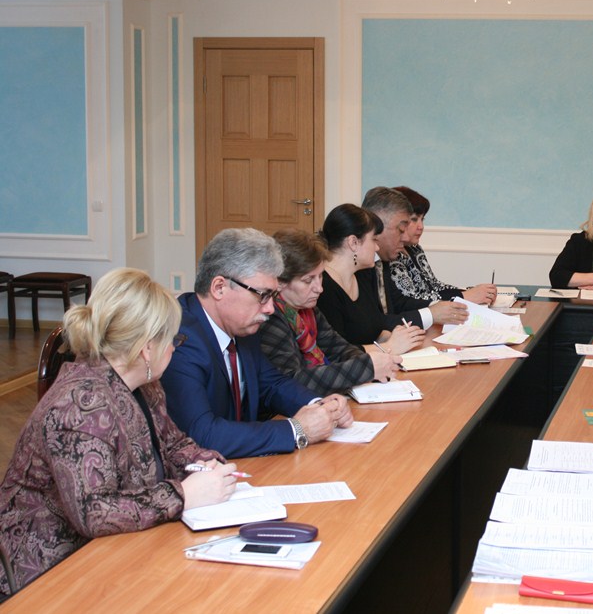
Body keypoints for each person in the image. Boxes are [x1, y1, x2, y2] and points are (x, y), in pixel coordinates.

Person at [0, 268, 238, 595]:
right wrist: (184, 495)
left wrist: (206, 464)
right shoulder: (79, 405)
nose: (174, 348)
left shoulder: (145, 384)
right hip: (47, 572)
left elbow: (173, 444)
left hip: (116, 548)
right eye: (173, 340)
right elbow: (94, 514)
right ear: (146, 349)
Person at [161, 228, 353, 460]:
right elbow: (203, 435)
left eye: (272, 296)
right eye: (262, 295)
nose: (270, 308)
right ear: (219, 287)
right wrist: (296, 430)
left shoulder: (241, 326)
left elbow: (272, 384)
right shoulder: (181, 341)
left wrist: (320, 406)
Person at [259, 228, 401, 396]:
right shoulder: (271, 317)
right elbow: (292, 380)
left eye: (320, 276)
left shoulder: (308, 309)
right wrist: (366, 368)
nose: (319, 288)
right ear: (280, 282)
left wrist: (373, 364)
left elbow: (338, 349)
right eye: (308, 280)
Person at [315, 203, 427, 355]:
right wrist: (390, 346)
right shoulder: (323, 287)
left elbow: (374, 330)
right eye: (374, 240)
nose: (377, 248)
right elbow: (336, 353)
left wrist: (397, 337)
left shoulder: (360, 276)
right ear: (353, 243)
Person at [360, 187, 469, 328]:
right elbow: (375, 324)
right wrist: (432, 314)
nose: (405, 238)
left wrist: (440, 307)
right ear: (377, 226)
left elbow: (398, 302)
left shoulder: (381, 260)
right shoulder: (360, 268)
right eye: (401, 230)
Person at [389, 186, 497, 304]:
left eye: (422, 219)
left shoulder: (415, 249)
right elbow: (412, 300)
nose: (421, 227)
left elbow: (435, 286)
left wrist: (470, 292)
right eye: (414, 219)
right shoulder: (391, 255)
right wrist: (464, 296)